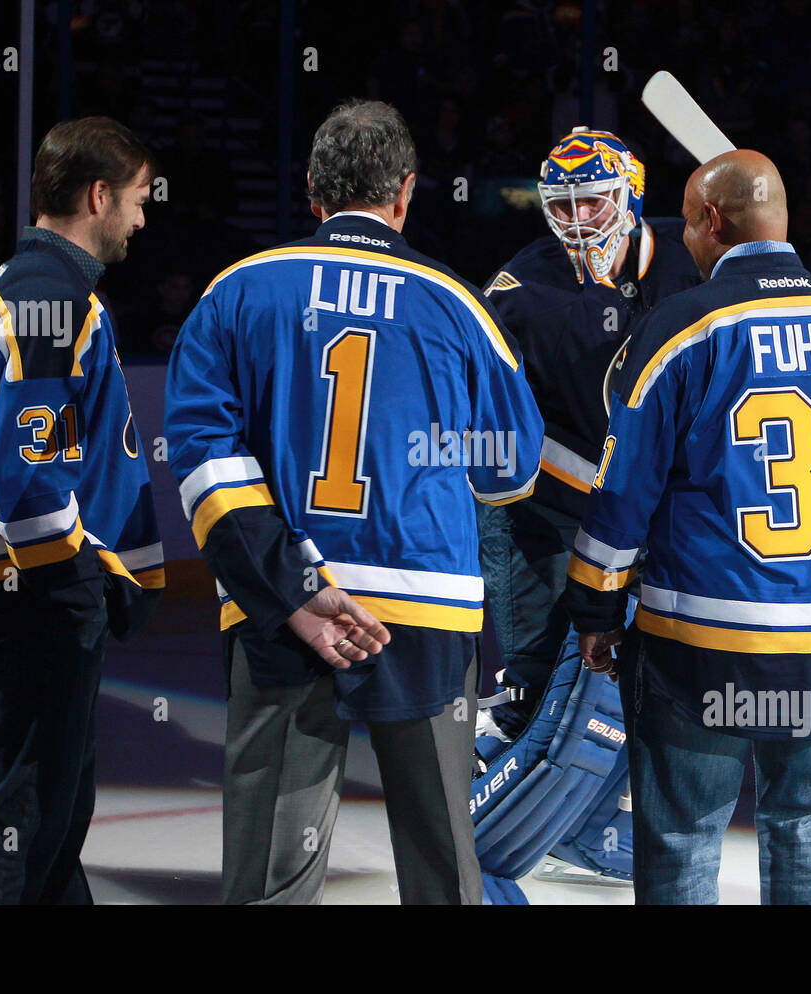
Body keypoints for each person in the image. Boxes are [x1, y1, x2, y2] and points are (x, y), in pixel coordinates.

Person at [164, 99, 543, 905]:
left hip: (285, 607)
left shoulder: (238, 291)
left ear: (311, 191)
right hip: (428, 610)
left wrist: (296, 592)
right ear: (404, 194)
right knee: (443, 860)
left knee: (272, 871)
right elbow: (511, 469)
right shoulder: (459, 305)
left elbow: (203, 464)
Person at [564, 149, 811, 904]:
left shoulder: (684, 329)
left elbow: (622, 492)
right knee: (807, 834)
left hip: (706, 645)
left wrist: (595, 608)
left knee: (686, 839)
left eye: (689, 224)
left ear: (710, 221)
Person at [0, 117, 164, 904]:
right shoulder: (51, 299)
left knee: (52, 813)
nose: (142, 217)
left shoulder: (35, 287)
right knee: (24, 815)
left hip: (31, 593)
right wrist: (77, 593)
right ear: (98, 195)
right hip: (30, 597)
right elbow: (24, 480)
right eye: (135, 199)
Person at [478, 127, 701, 729]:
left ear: (630, 193)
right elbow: (490, 418)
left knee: (671, 681)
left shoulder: (695, 260)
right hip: (554, 510)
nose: (577, 220)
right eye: (561, 205)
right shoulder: (519, 292)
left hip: (660, 506)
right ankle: (506, 755)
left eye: (593, 200)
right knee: (535, 682)